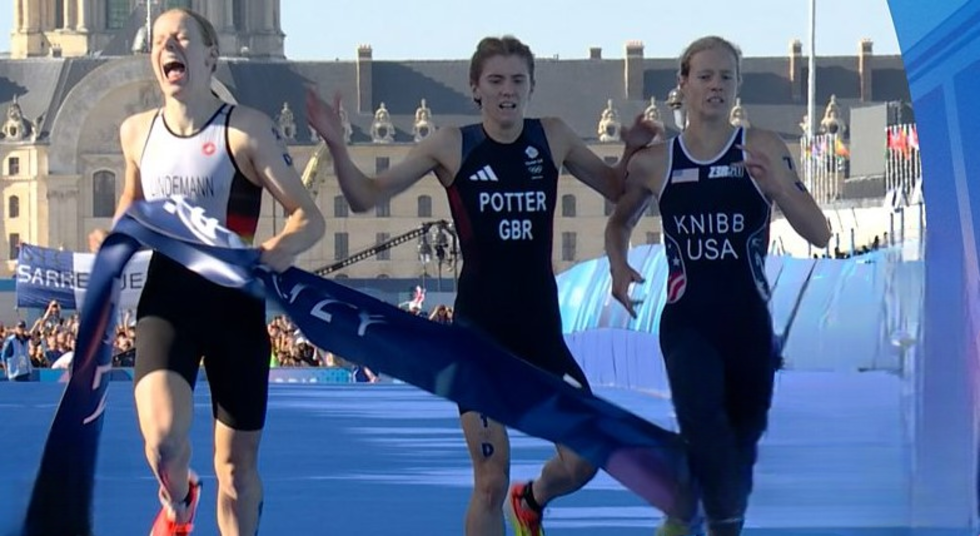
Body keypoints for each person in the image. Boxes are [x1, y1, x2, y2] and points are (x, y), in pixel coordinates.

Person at [306, 35, 660, 536]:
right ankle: (508, 498)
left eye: (518, 80)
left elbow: (616, 189)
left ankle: (532, 500)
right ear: (476, 88)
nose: (507, 91)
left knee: (584, 460)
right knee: (490, 480)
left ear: (532, 87)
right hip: (479, 338)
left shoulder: (552, 136)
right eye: (496, 80)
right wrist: (338, 146)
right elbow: (366, 197)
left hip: (541, 335)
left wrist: (629, 151)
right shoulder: (452, 144)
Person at [88, 7, 325, 536]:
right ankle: (178, 502)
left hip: (235, 307)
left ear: (209, 55)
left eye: (181, 37)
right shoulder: (136, 133)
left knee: (236, 470)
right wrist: (112, 238)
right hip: (166, 301)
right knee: (163, 442)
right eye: (159, 40)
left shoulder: (246, 130)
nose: (168, 46)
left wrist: (277, 250)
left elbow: (309, 217)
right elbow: (133, 207)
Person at [604, 36, 831, 536]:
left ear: (737, 87)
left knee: (741, 448)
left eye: (726, 77)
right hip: (689, 324)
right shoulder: (657, 162)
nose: (716, 86)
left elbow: (819, 231)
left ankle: (687, 508)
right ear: (682, 85)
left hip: (749, 324)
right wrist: (619, 266)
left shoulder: (763, 147)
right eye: (705, 76)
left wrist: (776, 188)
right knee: (704, 424)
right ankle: (704, 519)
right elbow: (618, 223)